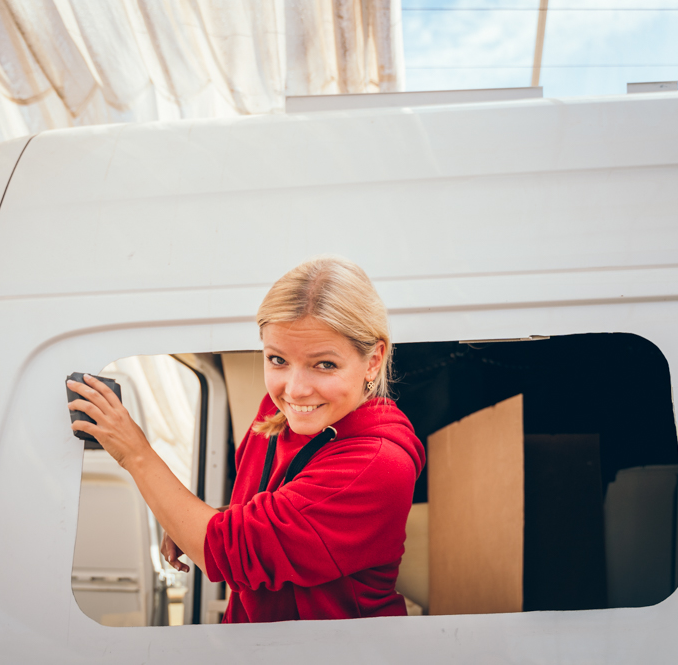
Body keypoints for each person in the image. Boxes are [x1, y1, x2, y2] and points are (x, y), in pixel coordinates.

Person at [67, 255, 425, 622]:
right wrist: (195, 520)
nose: (295, 390)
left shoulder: (377, 464)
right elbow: (282, 515)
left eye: (325, 364)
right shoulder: (275, 413)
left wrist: (134, 453)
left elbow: (229, 552)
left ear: (373, 360)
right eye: (277, 360)